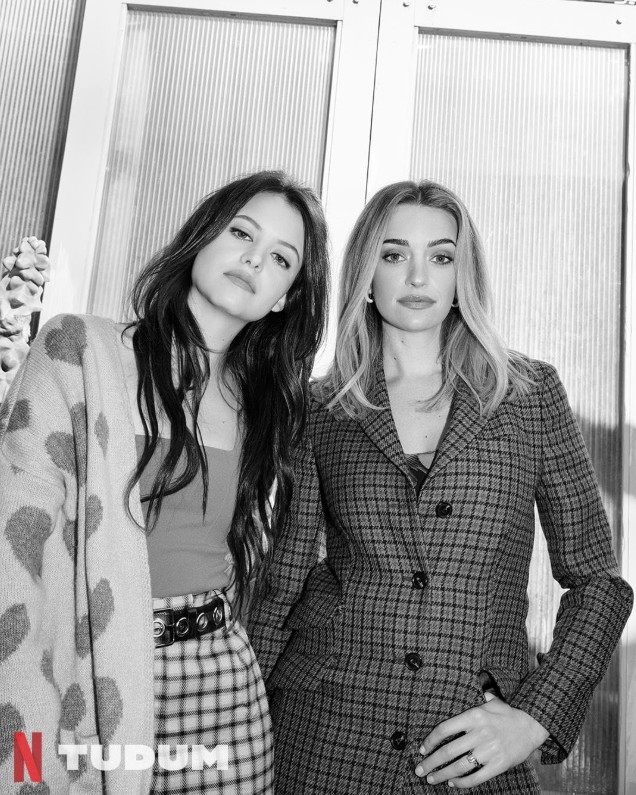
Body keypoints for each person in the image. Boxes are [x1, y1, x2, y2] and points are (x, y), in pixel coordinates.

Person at [247, 179, 633, 793]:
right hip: (323, 733)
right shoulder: (321, 408)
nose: (418, 277)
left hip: (475, 738)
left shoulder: (529, 395)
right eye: (394, 254)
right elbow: (284, 579)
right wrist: (236, 721)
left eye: (441, 256)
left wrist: (535, 717)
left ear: (462, 275)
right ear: (366, 274)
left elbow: (599, 583)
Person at [0, 170, 329, 794]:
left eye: (281, 258)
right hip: (88, 672)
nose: (254, 259)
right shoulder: (79, 352)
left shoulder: (267, 408)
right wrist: (24, 756)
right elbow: (13, 561)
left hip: (222, 687)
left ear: (284, 298)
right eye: (242, 233)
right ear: (202, 236)